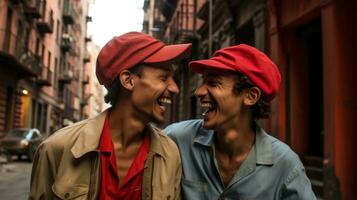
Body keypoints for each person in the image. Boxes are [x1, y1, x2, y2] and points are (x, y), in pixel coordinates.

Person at [29, 32, 191, 200]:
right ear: (128, 80)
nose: (175, 89)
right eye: (164, 78)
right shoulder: (57, 149)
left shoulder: (170, 154)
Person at [164, 44, 316, 200]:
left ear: (251, 96)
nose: (198, 92)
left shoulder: (285, 165)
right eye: (203, 82)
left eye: (213, 83)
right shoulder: (177, 139)